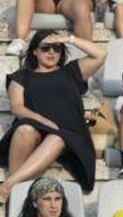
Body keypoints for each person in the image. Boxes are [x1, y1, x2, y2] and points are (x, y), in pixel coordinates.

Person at [0, 32, 105, 204]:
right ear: (35, 51)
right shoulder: (21, 77)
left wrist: (68, 39)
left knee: (58, 137)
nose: (51, 52)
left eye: (57, 48)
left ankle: (9, 185)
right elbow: (17, 108)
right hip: (35, 127)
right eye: (45, 48)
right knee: (24, 129)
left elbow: (101, 54)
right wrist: (44, 121)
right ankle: (17, 196)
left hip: (69, 133)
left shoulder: (72, 71)